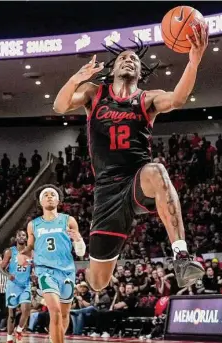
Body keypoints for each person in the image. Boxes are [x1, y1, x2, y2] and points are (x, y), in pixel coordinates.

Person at [53, 22, 208, 290]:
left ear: (140, 71)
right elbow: (59, 105)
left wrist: (194, 61)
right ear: (112, 68)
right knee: (99, 283)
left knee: (157, 170)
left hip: (138, 179)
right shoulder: (94, 93)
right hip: (107, 193)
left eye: (134, 59)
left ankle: (181, 256)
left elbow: (178, 99)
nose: (128, 60)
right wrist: (76, 79)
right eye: (123, 58)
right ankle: (77, 277)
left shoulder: (148, 99)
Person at [17, 184, 86, 343]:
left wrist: (78, 239)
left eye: (52, 194)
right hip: (45, 271)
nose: (49, 196)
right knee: (54, 312)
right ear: (40, 202)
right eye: (45, 195)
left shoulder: (68, 220)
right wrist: (23, 254)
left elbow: (81, 252)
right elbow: (31, 246)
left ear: (59, 200)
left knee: (63, 314)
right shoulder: (33, 224)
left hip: (67, 272)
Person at [0, 229, 32, 343]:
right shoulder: (10, 252)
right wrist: (8, 275)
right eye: (20, 235)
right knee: (11, 314)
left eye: (24, 235)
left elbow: (35, 266)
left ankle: (19, 329)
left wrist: (34, 273)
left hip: (26, 284)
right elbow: (1, 268)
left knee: (26, 309)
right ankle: (9, 337)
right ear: (16, 238)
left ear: (26, 238)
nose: (22, 237)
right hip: (13, 285)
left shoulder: (31, 252)